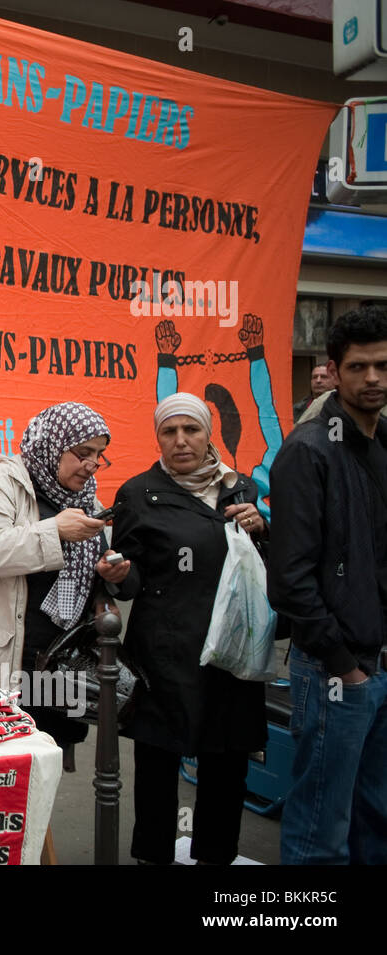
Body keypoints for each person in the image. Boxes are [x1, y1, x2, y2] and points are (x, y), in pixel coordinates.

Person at [109, 392, 267, 865]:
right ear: (157, 438)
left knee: (227, 759)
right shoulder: (138, 493)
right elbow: (132, 578)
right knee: (158, 760)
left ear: (208, 434)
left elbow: (259, 565)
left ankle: (217, 855)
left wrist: (261, 529)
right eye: (169, 432)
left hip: (232, 646)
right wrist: (120, 575)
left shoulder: (241, 488)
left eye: (191, 430)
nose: (181, 441)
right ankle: (152, 855)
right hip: (166, 647)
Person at [270, 306, 387, 865]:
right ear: (334, 371)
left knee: (377, 820)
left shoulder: (385, 442)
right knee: (321, 830)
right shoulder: (308, 450)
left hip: (379, 664)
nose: (373, 379)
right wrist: (345, 666)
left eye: (383, 366)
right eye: (359, 367)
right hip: (336, 672)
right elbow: (290, 579)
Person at [0, 402, 128, 764]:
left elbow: (88, 573)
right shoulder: (3, 481)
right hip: (7, 657)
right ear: (54, 444)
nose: (91, 465)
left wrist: (107, 575)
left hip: (61, 663)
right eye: (83, 453)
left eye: (99, 455)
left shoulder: (87, 497)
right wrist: (55, 532)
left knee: (45, 767)